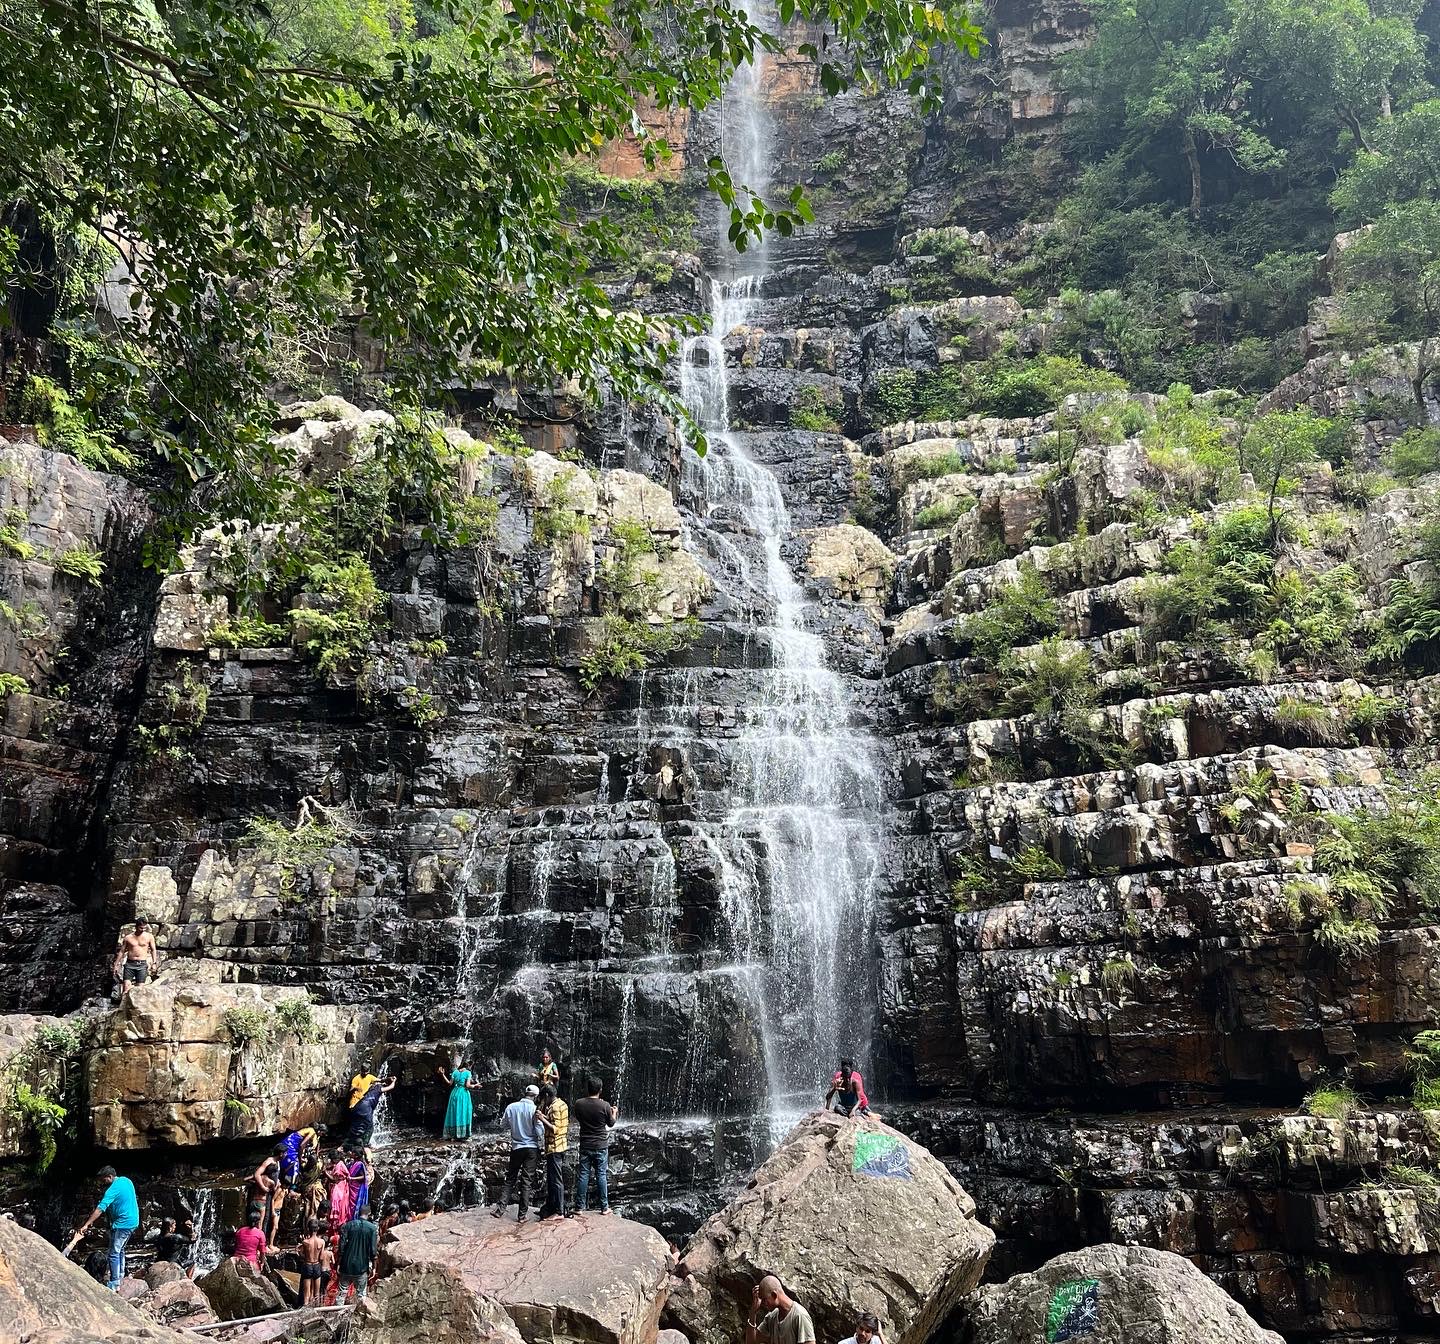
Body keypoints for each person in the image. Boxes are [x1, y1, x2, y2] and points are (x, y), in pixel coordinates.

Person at [71, 1166, 140, 1291]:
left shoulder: (112, 1189)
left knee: (113, 1253)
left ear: (110, 1177)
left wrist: (86, 1224)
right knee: (120, 1249)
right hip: (133, 1221)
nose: (102, 1183)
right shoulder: (126, 1181)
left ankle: (114, 1283)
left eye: (103, 1180)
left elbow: (100, 1209)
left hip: (122, 1224)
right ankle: (121, 1275)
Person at [492, 1083, 545, 1221]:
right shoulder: (535, 1110)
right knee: (526, 1182)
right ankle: (522, 1215)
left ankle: (500, 1210)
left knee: (510, 1178)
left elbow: (503, 1125)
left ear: (525, 1093)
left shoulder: (511, 1107)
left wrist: (516, 1126)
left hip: (516, 1147)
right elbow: (540, 1132)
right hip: (531, 1148)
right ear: (536, 1096)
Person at [571, 1075, 617, 1215]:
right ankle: (604, 1207)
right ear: (600, 1090)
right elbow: (611, 1123)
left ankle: (579, 1208)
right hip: (600, 1145)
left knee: (583, 1175)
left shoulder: (579, 1103)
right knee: (601, 1175)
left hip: (585, 1144)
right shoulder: (605, 1105)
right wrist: (614, 1113)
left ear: (587, 1089)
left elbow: (578, 1117)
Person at [745, 1274, 817, 1344]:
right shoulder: (771, 1317)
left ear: (774, 1295)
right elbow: (751, 1342)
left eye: (764, 1299)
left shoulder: (800, 1316)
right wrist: (753, 1312)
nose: (762, 1303)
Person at [536, 1084, 570, 1218]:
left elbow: (555, 1129)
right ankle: (550, 1208)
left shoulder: (555, 1107)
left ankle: (559, 1211)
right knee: (552, 1179)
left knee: (556, 1180)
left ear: (546, 1095)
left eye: (543, 1098)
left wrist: (541, 1119)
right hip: (560, 1146)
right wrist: (544, 1115)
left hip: (555, 1147)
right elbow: (558, 1123)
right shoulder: (561, 1104)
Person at [336, 1203, 378, 1302]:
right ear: (369, 1213)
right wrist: (374, 1267)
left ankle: (338, 1310)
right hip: (361, 1266)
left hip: (346, 1264)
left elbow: (341, 1247)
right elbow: (373, 1250)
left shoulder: (348, 1225)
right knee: (361, 1295)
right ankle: (360, 1311)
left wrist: (339, 1263)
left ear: (359, 1212)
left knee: (341, 1294)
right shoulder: (372, 1228)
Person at [112, 918, 158, 996]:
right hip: (130, 964)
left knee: (140, 989)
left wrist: (154, 963)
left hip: (142, 964)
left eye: (144, 928)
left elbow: (153, 950)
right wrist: (116, 964)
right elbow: (122, 951)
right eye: (141, 928)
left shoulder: (149, 937)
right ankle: (124, 1003)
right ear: (136, 927)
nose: (143, 930)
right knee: (126, 987)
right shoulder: (128, 938)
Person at [347, 1072, 395, 1147]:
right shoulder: (378, 1088)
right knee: (369, 1127)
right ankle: (364, 1145)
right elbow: (391, 1087)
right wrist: (394, 1081)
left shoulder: (371, 1087)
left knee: (356, 1126)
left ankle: (348, 1144)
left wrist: (388, 1078)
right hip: (366, 1108)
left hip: (358, 1106)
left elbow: (382, 1080)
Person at [249, 1145, 284, 1243]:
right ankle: (261, 1243)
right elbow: (257, 1174)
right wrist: (263, 1187)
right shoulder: (269, 1161)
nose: (286, 1155)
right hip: (266, 1193)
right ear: (281, 1154)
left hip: (269, 1194)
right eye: (285, 1153)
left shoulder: (277, 1162)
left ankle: (263, 1241)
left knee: (266, 1218)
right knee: (263, 1219)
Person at [437, 1058, 479, 1140]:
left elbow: (449, 1083)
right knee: (463, 1112)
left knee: (454, 1112)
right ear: (469, 1066)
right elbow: (467, 1085)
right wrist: (475, 1085)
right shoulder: (468, 1072)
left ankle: (452, 1134)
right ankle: (462, 1134)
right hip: (463, 1094)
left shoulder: (455, 1072)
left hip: (454, 1093)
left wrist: (442, 1074)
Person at [279, 1126, 319, 1193]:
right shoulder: (312, 1132)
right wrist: (300, 1158)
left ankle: (282, 1179)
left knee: (289, 1163)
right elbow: (302, 1145)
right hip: (291, 1145)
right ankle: (291, 1188)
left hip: (288, 1142)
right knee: (295, 1164)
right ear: (320, 1131)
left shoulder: (310, 1130)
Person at [298, 1217, 328, 1305]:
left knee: (306, 1294)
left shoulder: (305, 1242)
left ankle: (305, 1308)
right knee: (317, 1294)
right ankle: (316, 1309)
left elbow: (302, 1255)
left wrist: (299, 1252)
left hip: (307, 1265)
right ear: (318, 1228)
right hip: (317, 1265)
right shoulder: (322, 1242)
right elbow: (321, 1257)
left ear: (308, 1229)